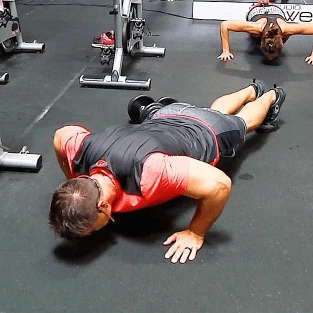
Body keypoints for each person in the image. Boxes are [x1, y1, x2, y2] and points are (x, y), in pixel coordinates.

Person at [49, 81, 286, 264]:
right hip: (165, 114)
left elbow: (219, 185)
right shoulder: (83, 151)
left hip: (207, 132)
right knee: (213, 111)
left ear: (103, 207)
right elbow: (63, 135)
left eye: (90, 230)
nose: (90, 235)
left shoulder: (151, 172)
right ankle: (251, 89)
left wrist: (196, 232)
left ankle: (271, 95)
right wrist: (74, 185)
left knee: (243, 122)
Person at [218, 0, 313, 63]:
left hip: (275, 9)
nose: (270, 59)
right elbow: (225, 25)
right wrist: (226, 51)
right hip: (257, 9)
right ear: (261, 43)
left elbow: (225, 25)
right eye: (269, 56)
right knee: (254, 36)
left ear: (282, 44)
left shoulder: (286, 29)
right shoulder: (256, 28)